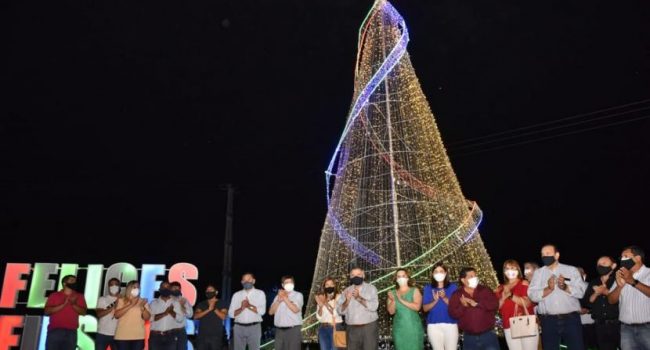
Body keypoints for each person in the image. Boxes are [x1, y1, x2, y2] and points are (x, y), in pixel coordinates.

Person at [528, 244, 586, 350]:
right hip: (548, 321)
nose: (544, 256)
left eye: (548, 253)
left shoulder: (571, 270)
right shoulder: (538, 273)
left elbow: (582, 292)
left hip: (571, 320)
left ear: (557, 255)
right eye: (542, 254)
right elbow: (532, 295)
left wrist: (565, 287)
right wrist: (548, 289)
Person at [607, 246, 650, 350]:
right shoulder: (620, 275)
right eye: (621, 257)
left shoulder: (649, 273)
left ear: (638, 258)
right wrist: (619, 286)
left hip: (647, 328)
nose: (622, 260)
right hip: (626, 329)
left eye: (625, 256)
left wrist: (632, 281)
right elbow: (611, 300)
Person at [449, 267, 499, 350]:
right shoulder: (457, 295)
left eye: (475, 276)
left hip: (488, 335)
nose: (474, 278)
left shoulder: (485, 290)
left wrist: (477, 304)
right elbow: (452, 313)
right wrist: (463, 306)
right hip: (469, 338)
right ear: (463, 280)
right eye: (471, 276)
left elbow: (495, 304)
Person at [495, 260, 537, 350]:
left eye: (513, 268)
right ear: (504, 271)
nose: (510, 271)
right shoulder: (499, 288)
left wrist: (511, 295)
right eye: (507, 268)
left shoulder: (524, 283)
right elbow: (496, 307)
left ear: (518, 270)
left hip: (526, 323)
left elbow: (527, 303)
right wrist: (503, 297)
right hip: (508, 326)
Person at [337, 267, 379, 350]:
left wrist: (358, 298)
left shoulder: (371, 288)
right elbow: (339, 311)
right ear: (350, 277)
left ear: (363, 275)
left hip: (368, 328)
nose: (356, 277)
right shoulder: (346, 291)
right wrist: (347, 301)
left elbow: (374, 307)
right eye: (353, 275)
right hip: (351, 329)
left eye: (358, 274)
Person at [583, 256, 619, 350]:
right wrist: (596, 293)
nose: (600, 265)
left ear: (613, 265)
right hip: (600, 325)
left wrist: (606, 292)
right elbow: (587, 302)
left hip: (618, 325)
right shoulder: (594, 282)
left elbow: (623, 300)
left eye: (604, 263)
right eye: (598, 264)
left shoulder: (619, 280)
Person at [44, 275, 88, 350]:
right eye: (71, 280)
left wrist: (73, 304)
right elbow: (47, 312)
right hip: (55, 330)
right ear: (64, 283)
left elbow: (83, 312)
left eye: (75, 281)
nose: (74, 282)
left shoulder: (79, 296)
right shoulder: (54, 295)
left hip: (71, 331)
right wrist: (63, 304)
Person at [423, 263, 458, 350]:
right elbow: (425, 308)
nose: (438, 273)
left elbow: (456, 307)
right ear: (432, 274)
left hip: (451, 324)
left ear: (445, 273)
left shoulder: (453, 287)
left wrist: (445, 297)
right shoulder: (428, 288)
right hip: (433, 326)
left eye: (441, 271)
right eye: (436, 271)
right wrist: (435, 301)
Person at [228, 273, 266, 350]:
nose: (246, 281)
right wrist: (241, 308)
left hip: (254, 327)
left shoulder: (260, 293)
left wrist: (249, 306)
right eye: (244, 280)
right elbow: (231, 314)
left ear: (254, 281)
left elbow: (262, 311)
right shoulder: (236, 295)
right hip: (238, 328)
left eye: (249, 279)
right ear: (242, 282)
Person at [387, 268, 423, 350]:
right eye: (398, 276)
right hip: (399, 329)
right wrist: (393, 300)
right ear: (396, 279)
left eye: (403, 276)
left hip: (414, 328)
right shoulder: (391, 293)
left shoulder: (415, 290)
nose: (401, 278)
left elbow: (417, 307)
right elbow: (391, 311)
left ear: (407, 277)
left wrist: (400, 299)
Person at [114, 281, 151, 350]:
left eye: (138, 287)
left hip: (138, 336)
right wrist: (131, 304)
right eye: (134, 287)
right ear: (129, 288)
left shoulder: (143, 301)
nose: (136, 289)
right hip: (122, 336)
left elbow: (147, 318)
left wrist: (142, 307)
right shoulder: (121, 300)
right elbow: (116, 315)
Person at [269, 276, 304, 350]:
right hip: (279, 331)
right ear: (282, 285)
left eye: (290, 282)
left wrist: (284, 298)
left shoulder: (298, 295)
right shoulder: (277, 297)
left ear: (293, 284)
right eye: (286, 283)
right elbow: (270, 312)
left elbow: (295, 309)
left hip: (293, 330)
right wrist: (278, 300)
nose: (288, 284)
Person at [149, 281, 184, 350]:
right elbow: (150, 318)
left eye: (168, 287)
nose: (165, 289)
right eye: (163, 287)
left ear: (170, 289)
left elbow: (180, 319)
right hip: (155, 337)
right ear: (159, 289)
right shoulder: (153, 303)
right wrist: (164, 314)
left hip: (170, 336)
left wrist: (172, 312)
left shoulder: (176, 303)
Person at [194, 284, 229, 350]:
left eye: (211, 290)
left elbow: (223, 317)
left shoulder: (222, 303)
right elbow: (196, 316)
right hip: (202, 335)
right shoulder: (201, 304)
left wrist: (214, 309)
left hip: (216, 336)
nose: (209, 291)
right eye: (207, 290)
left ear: (216, 292)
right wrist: (208, 309)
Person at [315, 277, 343, 350]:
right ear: (324, 287)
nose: (329, 286)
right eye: (327, 285)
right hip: (323, 328)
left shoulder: (339, 297)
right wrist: (321, 306)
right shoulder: (322, 297)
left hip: (336, 327)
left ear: (334, 286)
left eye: (331, 284)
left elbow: (337, 313)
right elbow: (319, 317)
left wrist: (325, 303)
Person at [96, 278, 122, 350]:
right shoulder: (103, 299)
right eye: (111, 285)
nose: (114, 286)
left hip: (118, 334)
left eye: (116, 285)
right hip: (102, 333)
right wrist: (114, 306)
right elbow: (99, 314)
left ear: (119, 286)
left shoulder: (124, 300)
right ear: (108, 286)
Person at [170, 282, 194, 350]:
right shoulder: (167, 300)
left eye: (178, 288)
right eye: (174, 288)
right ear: (170, 289)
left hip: (181, 331)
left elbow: (190, 315)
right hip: (169, 331)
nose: (176, 289)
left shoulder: (184, 300)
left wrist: (182, 306)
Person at [577, 267, 596, 349]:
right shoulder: (568, 289)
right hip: (576, 326)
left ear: (584, 275)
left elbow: (599, 305)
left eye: (579, 273)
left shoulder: (591, 287)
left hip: (591, 325)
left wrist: (588, 310)